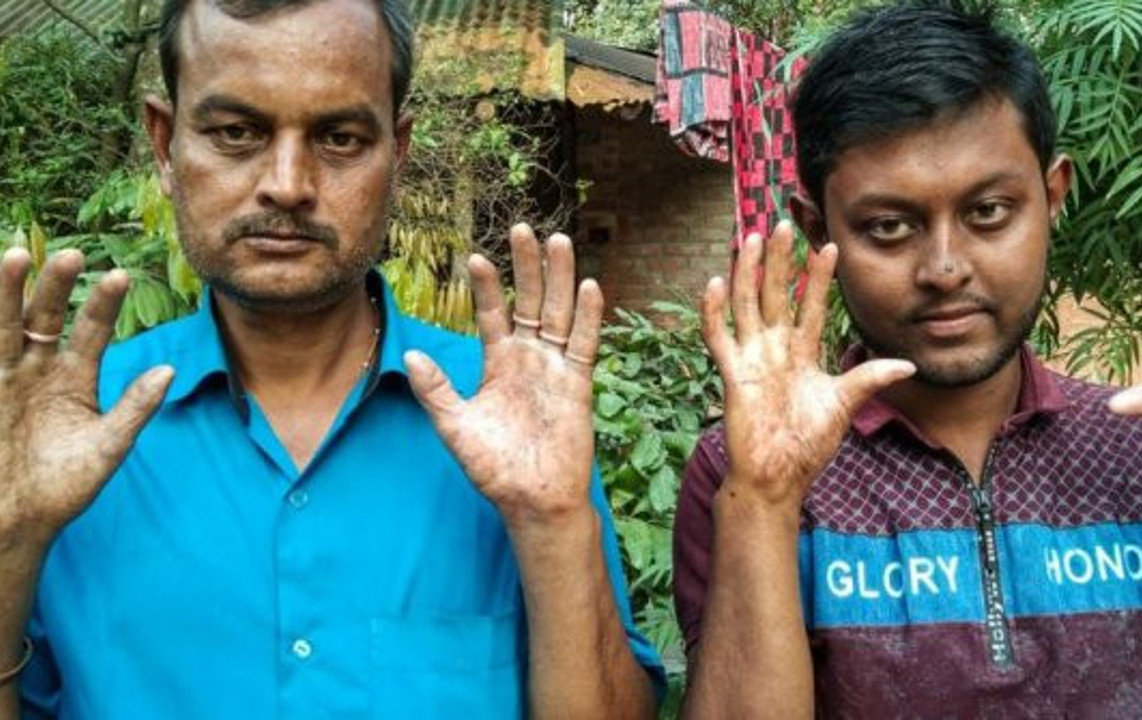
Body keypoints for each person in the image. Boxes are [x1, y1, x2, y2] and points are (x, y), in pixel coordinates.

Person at [0, 0, 664, 717]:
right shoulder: (62, 434)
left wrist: (553, 524)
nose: (288, 183)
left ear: (398, 153)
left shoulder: (508, 415)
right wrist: (7, 545)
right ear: (164, 146)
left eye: (340, 138)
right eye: (235, 132)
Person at [674, 2, 1142, 717]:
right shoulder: (743, 470)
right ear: (818, 230)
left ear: (1052, 197)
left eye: (988, 212)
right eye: (889, 227)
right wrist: (767, 500)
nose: (945, 267)